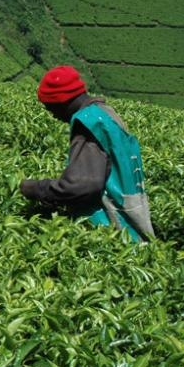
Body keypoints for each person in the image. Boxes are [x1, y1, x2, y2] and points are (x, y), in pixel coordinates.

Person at [19, 66, 154, 242]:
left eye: (50, 108)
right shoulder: (106, 114)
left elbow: (82, 185)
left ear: (61, 102)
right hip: (133, 215)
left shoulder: (88, 123)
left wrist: (36, 188)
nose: (52, 115)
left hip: (110, 230)